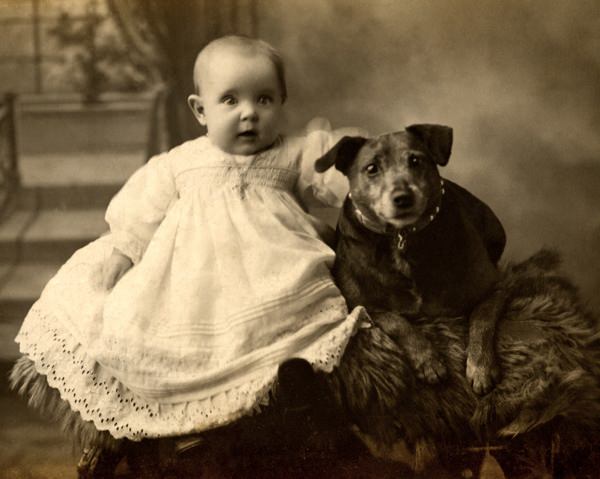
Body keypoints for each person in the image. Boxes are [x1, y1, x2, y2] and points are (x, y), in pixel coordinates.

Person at [13, 35, 366, 445]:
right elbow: (141, 207)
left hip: (275, 267)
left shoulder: (293, 153)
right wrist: (125, 252)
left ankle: (283, 402)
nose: (249, 114)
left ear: (281, 102)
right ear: (201, 110)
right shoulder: (181, 162)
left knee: (293, 321)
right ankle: (198, 424)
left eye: (264, 100)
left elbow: (340, 174)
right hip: (194, 278)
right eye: (230, 101)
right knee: (144, 324)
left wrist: (366, 176)